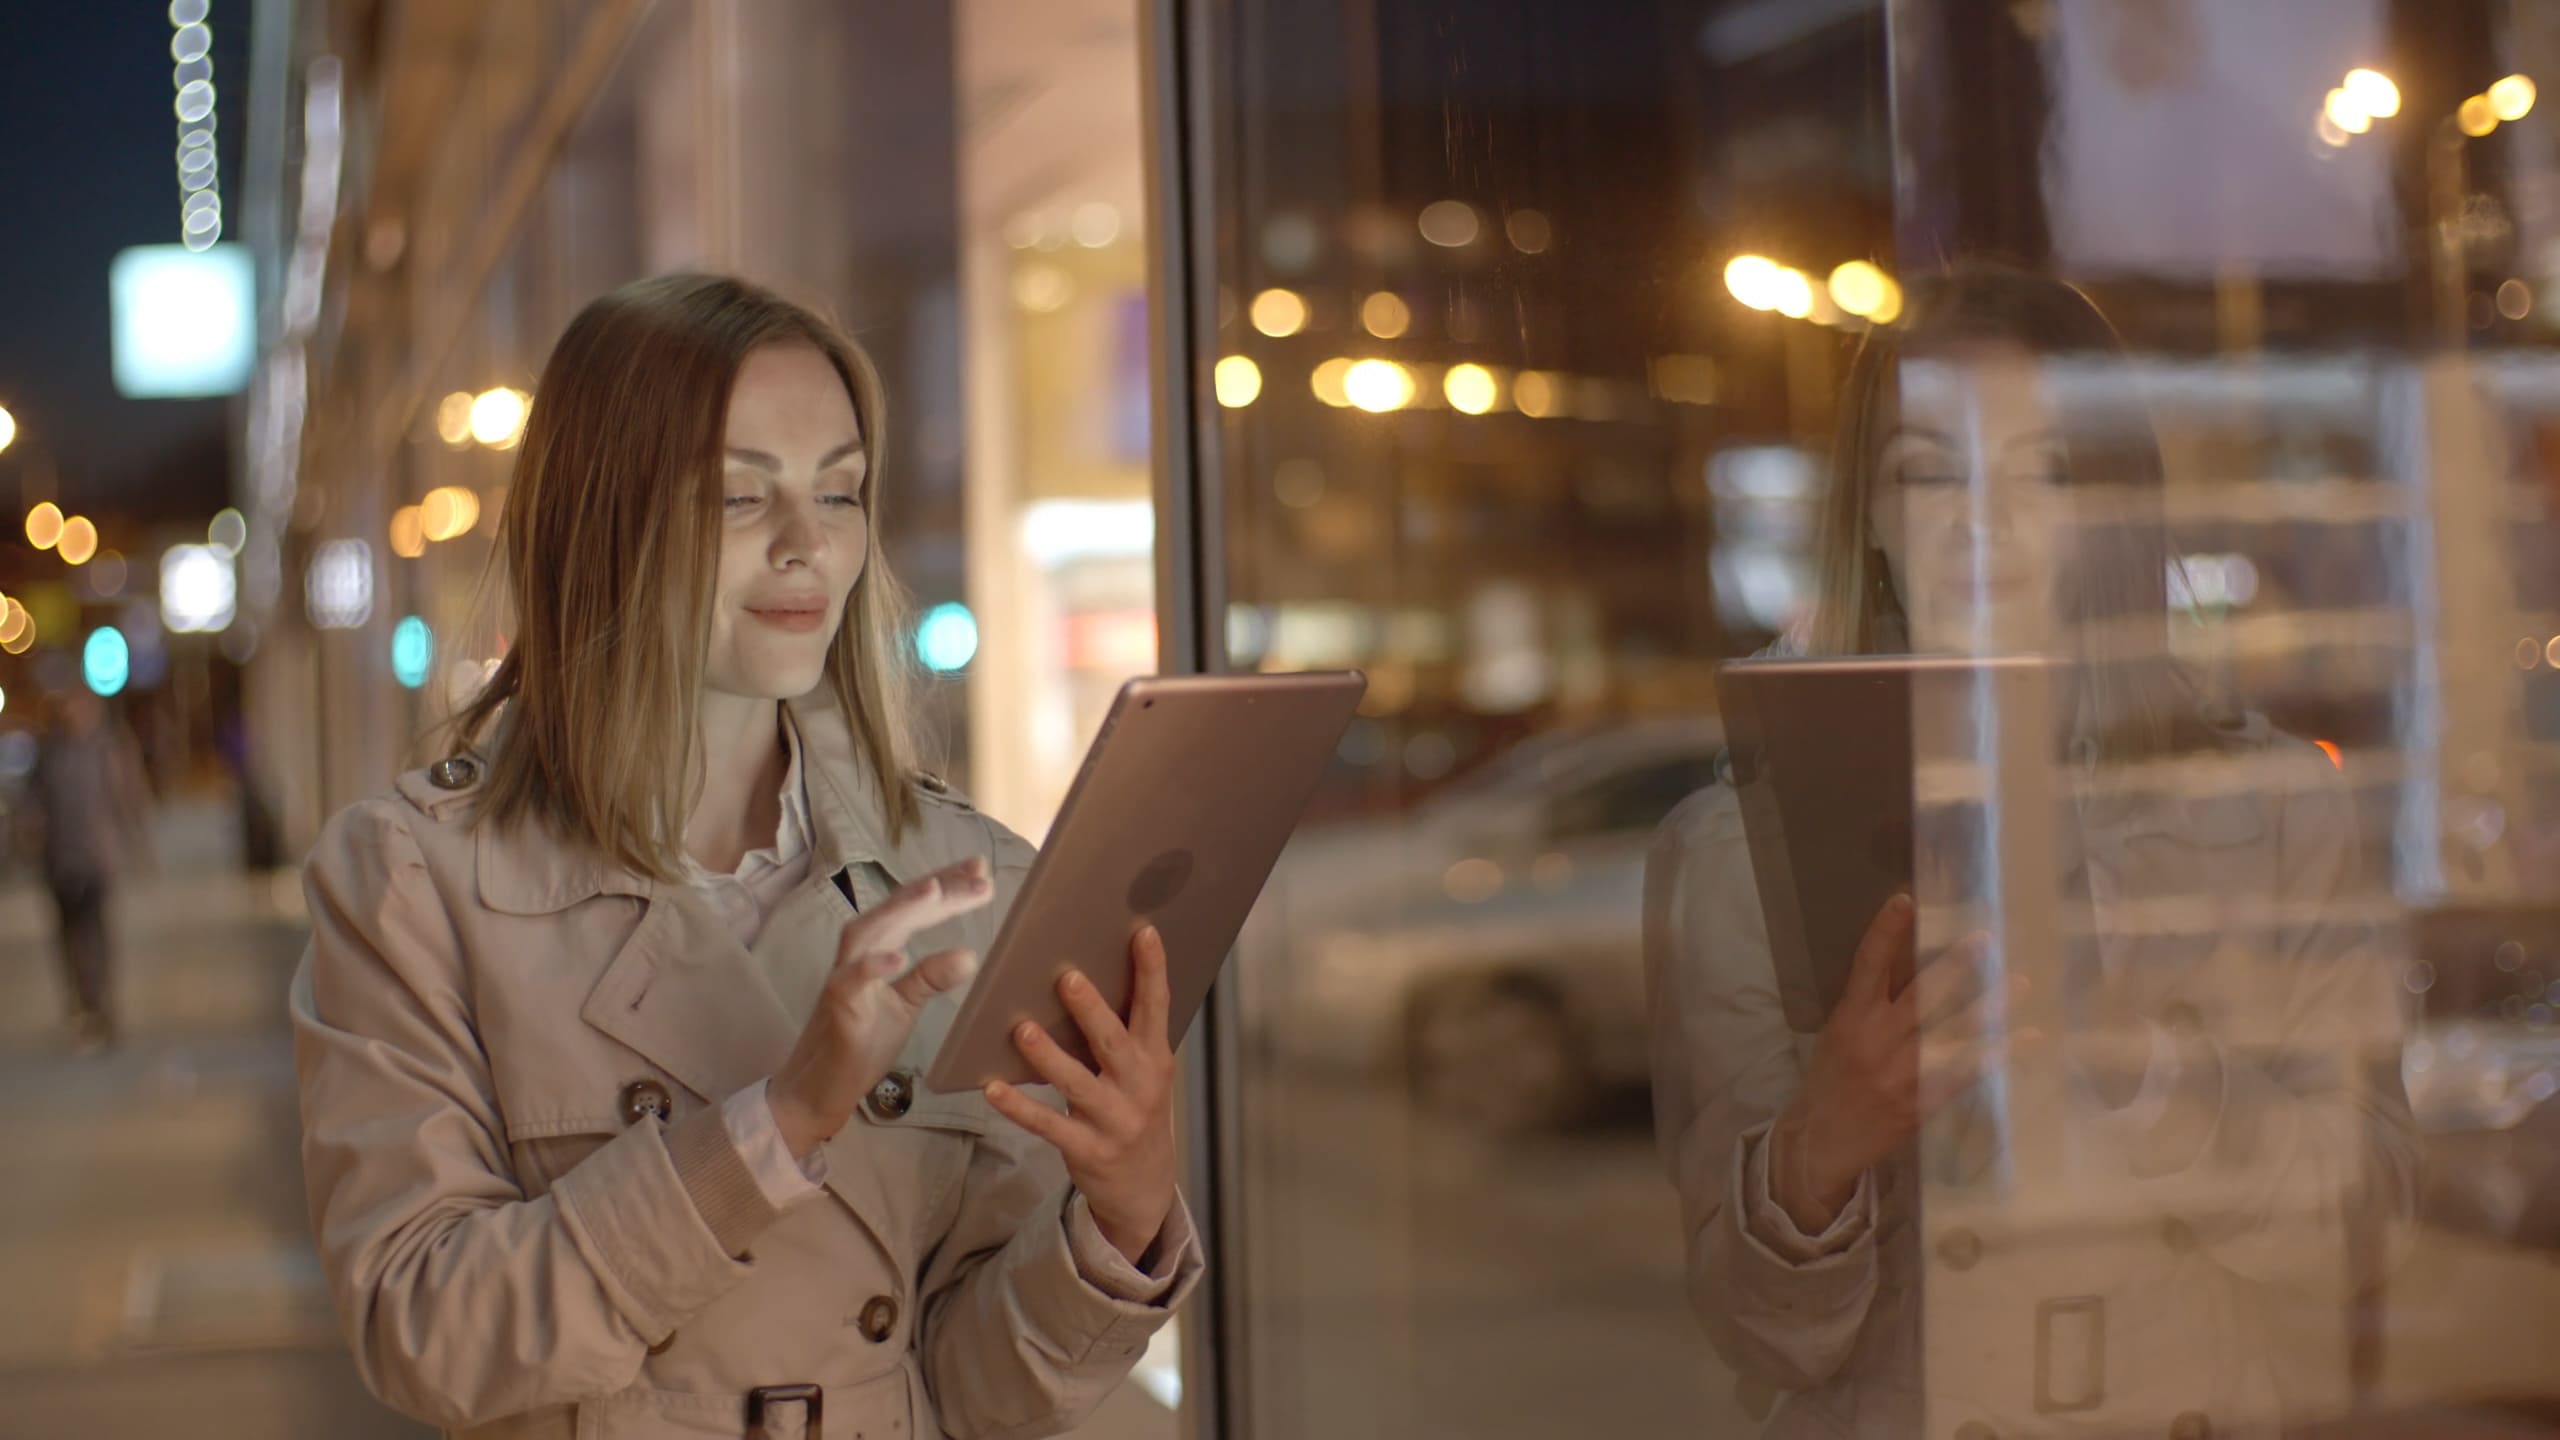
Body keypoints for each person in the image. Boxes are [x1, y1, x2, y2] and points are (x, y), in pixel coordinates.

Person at [291, 274, 1201, 1440]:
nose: (806, 543)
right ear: (599, 517)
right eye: (737, 496)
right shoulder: (412, 876)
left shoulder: (971, 882)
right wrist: (776, 1121)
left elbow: (971, 1398)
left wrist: (1116, 1226)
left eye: (840, 490)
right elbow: (422, 1328)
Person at [1642, 267, 2417, 1438]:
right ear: (1872, 515)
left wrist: (2151, 1075)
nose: (1982, 520)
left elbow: (2371, 1235)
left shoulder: (2269, 811)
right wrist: (1822, 1146)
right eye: (1928, 470)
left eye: (2043, 469)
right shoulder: (1738, 853)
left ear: (2112, 504)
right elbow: (1756, 1335)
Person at [24, 689, 154, 1052]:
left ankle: (102, 1007)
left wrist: (139, 843)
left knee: (98, 935)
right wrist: (33, 833)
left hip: (98, 858)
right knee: (69, 936)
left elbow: (129, 796)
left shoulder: (109, 749)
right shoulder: (50, 753)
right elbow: (34, 802)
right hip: (60, 860)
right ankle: (80, 1005)